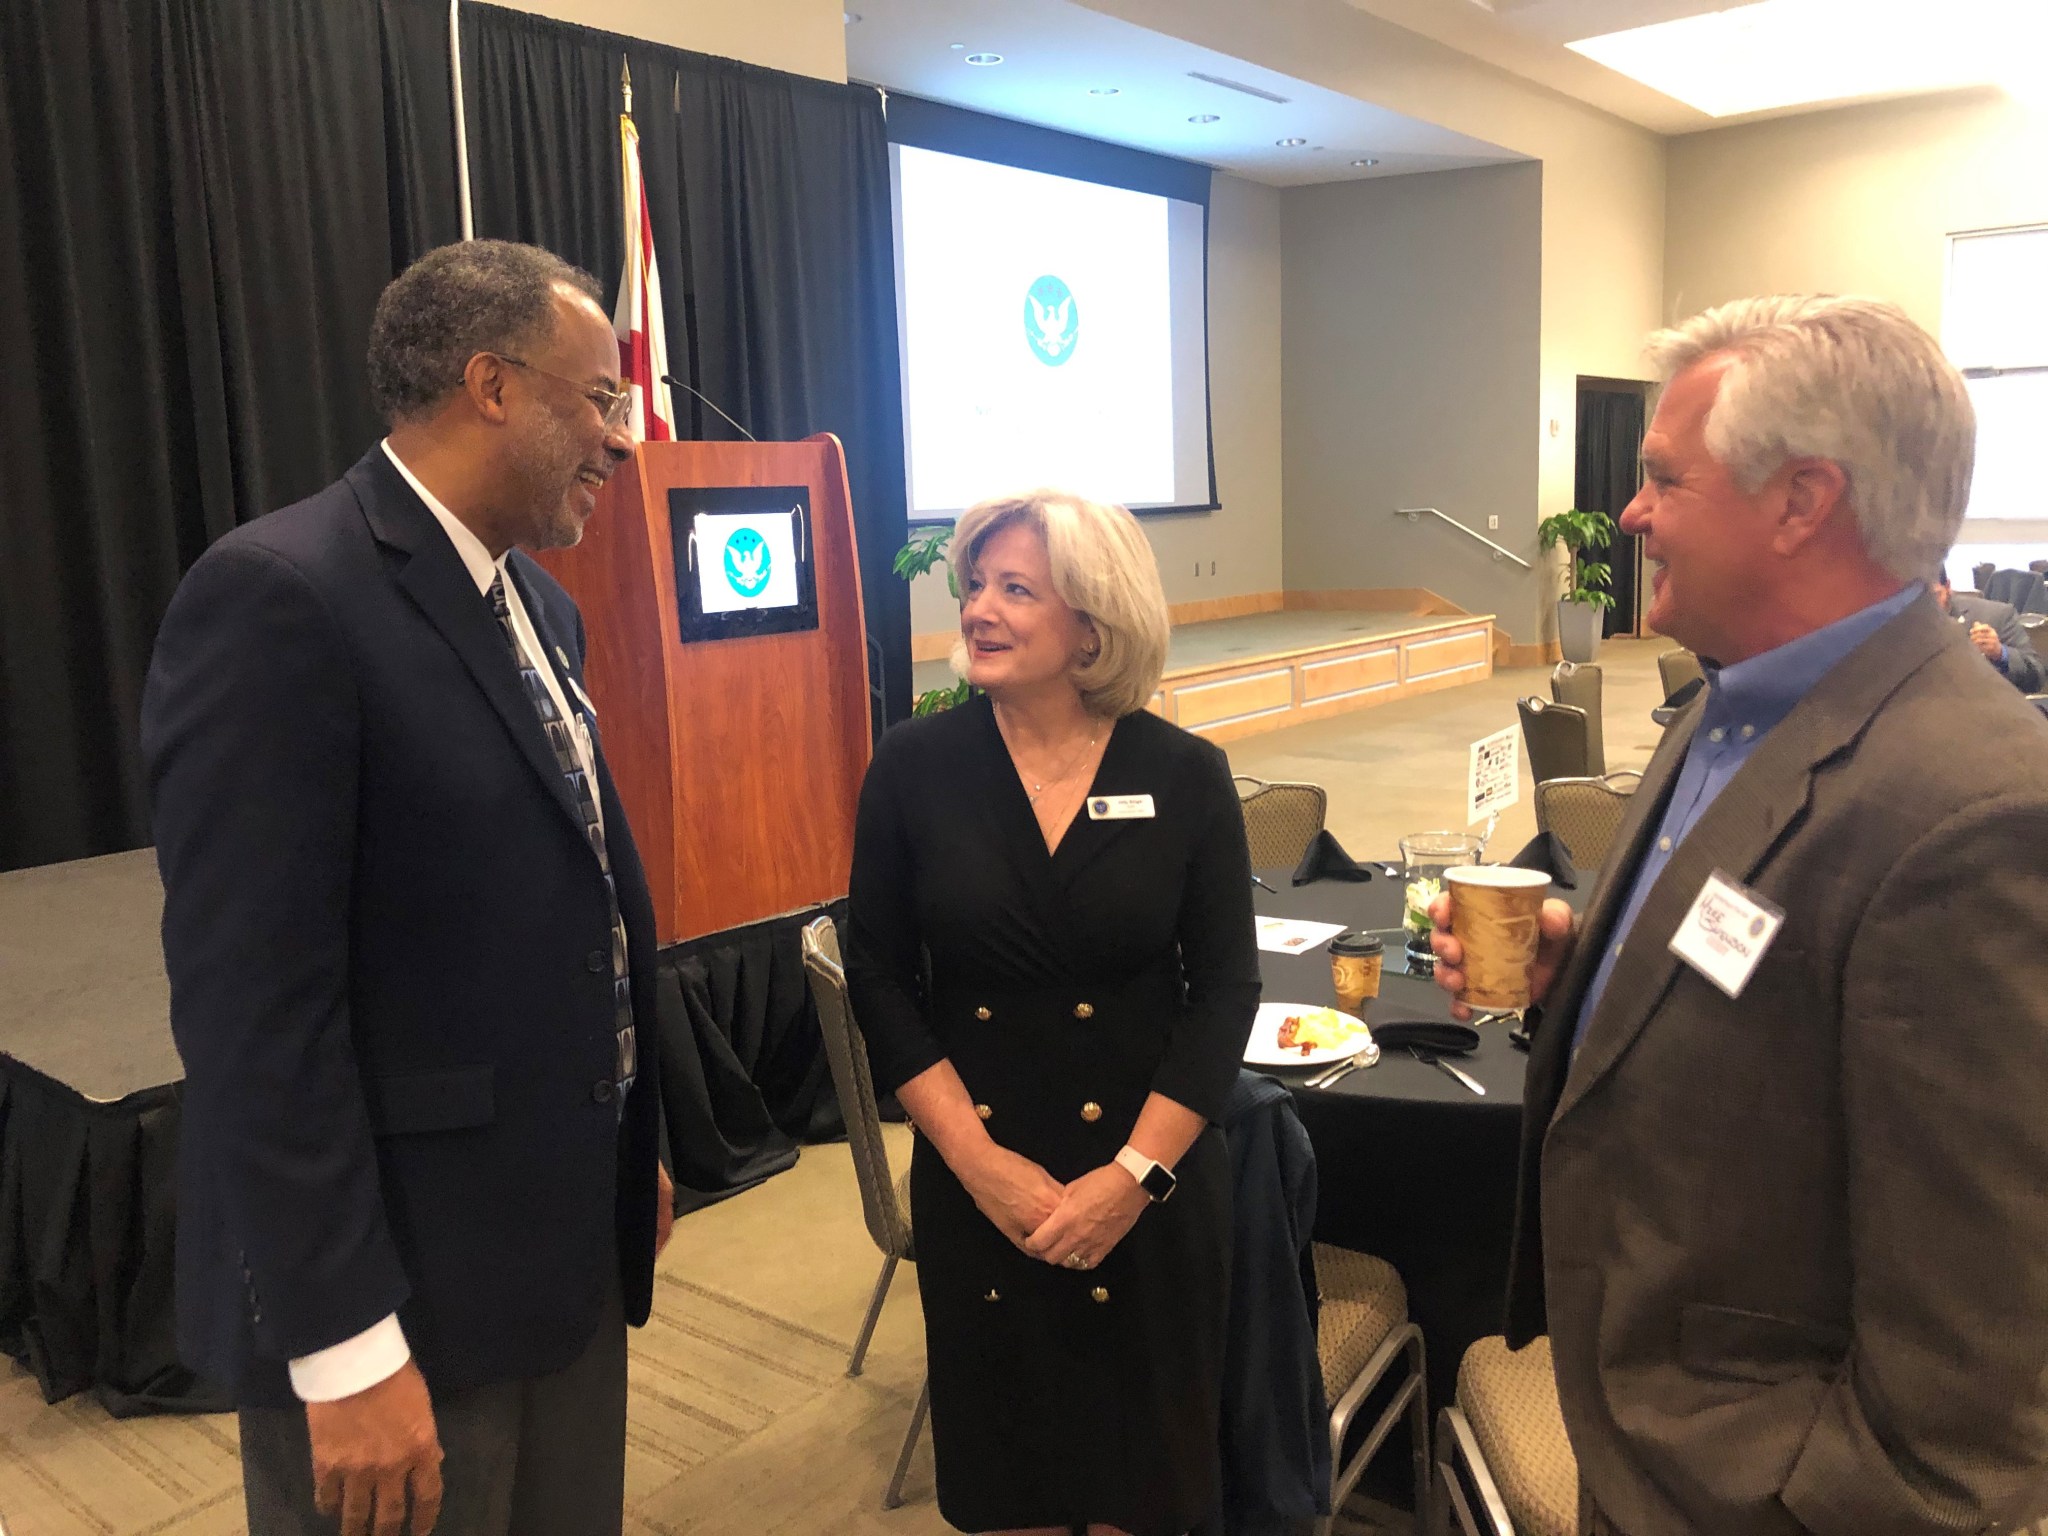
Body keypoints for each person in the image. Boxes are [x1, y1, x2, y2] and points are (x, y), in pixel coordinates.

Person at [1431, 296, 2048, 1535]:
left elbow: (1981, 1364)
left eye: (1663, 477)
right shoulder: (1733, 697)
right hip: (1640, 1426)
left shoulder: (1971, 812)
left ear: (1799, 500)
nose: (1630, 512)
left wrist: (1792, 1503)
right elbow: (1762, 983)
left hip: (1744, 1485)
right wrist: (1591, 968)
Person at [143, 240, 674, 1536]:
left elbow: (571, 899)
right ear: (491, 385)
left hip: (557, 1258)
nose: (621, 439)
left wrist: (628, 1143)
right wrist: (340, 1342)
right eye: (597, 400)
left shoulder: (542, 611)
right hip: (398, 1305)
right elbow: (254, 1014)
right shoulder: (281, 598)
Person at [845, 490, 1259, 1536]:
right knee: (1015, 1488)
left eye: (1014, 589)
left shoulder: (1184, 774)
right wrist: (979, 1170)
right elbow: (881, 979)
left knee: (1143, 1493)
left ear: (1093, 621)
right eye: (975, 585)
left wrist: (1132, 1178)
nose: (978, 608)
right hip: (988, 1191)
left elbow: (1223, 993)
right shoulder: (912, 768)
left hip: (1146, 1187)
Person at [1932, 570, 2043, 691]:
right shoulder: (1909, 622)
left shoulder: (1996, 615)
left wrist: (2000, 653)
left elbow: (2037, 677)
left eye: (1934, 596)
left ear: (1948, 587)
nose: (1927, 606)